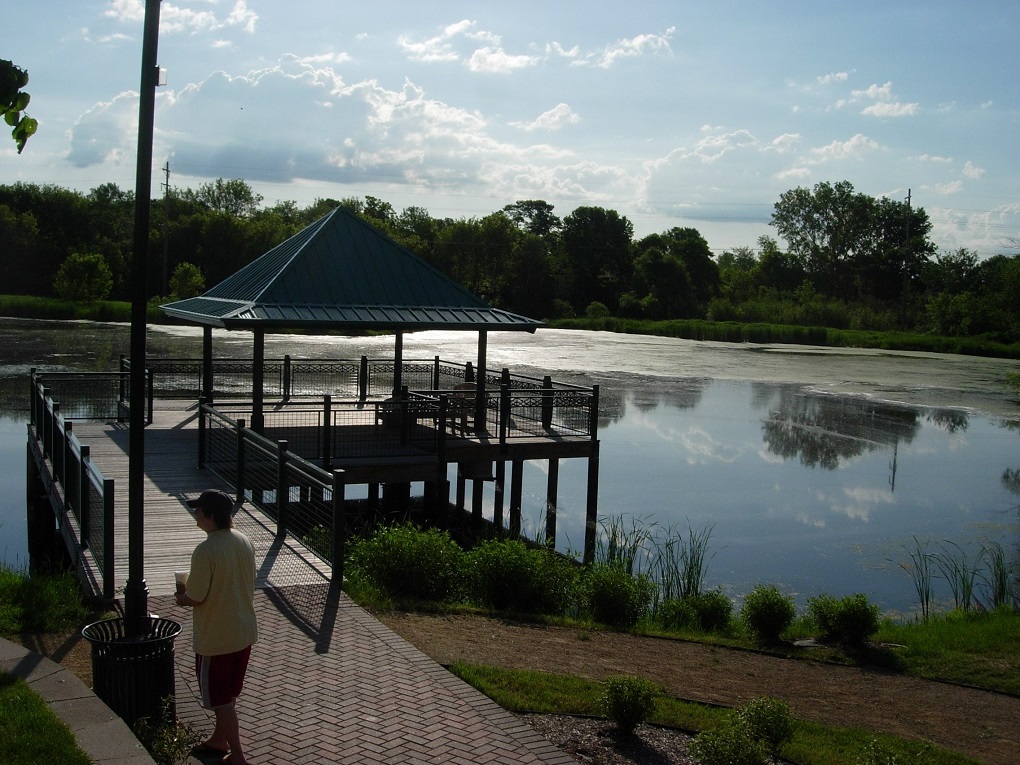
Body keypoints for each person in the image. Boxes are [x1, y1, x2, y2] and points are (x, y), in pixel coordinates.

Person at [175, 489, 258, 765]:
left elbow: (196, 597)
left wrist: (182, 598)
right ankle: (218, 740)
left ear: (210, 516)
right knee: (229, 694)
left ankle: (237, 755)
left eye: (198, 510)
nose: (195, 514)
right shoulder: (244, 541)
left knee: (221, 701)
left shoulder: (206, 550)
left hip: (216, 638)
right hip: (244, 632)